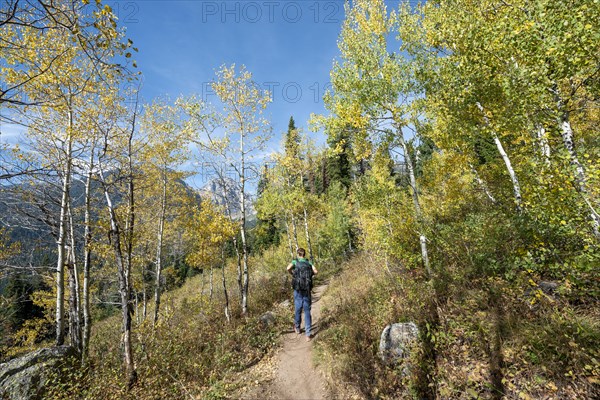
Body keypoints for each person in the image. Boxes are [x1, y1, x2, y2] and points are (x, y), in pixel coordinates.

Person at [287, 248, 318, 341]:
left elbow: (288, 268)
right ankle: (308, 334)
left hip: (298, 289)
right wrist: (310, 275)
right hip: (307, 290)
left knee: (298, 309)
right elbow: (316, 271)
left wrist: (293, 274)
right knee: (307, 311)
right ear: (304, 254)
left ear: (298, 254)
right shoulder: (309, 262)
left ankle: (297, 328)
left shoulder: (295, 261)